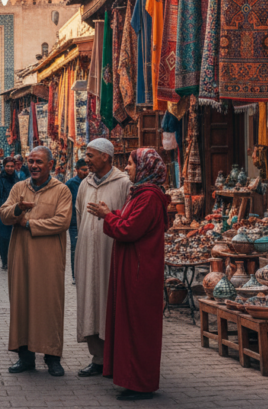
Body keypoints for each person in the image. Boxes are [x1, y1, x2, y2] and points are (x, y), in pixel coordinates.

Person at [90, 147, 168, 401]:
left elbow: (128, 230)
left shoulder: (148, 197)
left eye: (132, 164)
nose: (127, 168)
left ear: (145, 168)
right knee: (129, 322)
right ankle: (130, 378)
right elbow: (127, 223)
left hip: (139, 271)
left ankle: (139, 382)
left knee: (137, 324)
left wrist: (107, 216)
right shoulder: (142, 194)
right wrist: (112, 214)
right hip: (134, 267)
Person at [0, 146, 71, 377]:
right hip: (21, 256)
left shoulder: (61, 191)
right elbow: (4, 213)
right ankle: (25, 357)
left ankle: (52, 357)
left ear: (50, 165)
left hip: (49, 258)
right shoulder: (19, 187)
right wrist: (18, 209)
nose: (34, 166)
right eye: (31, 161)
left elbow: (62, 221)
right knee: (22, 304)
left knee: (49, 305)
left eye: (39, 162)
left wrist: (30, 224)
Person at [74, 138, 131, 378]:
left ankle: (116, 357)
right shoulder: (84, 185)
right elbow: (79, 217)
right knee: (90, 302)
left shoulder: (124, 184)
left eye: (91, 155)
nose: (86, 160)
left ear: (105, 156)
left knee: (111, 301)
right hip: (88, 252)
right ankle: (97, 358)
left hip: (112, 253)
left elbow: (128, 219)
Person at [0, 157, 19, 269]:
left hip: (15, 212)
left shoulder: (17, 179)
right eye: (8, 166)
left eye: (12, 166)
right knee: (4, 237)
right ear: (3, 167)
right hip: (3, 213)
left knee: (15, 237)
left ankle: (14, 259)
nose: (10, 168)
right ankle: (5, 260)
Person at [66, 159, 89, 284]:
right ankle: (75, 275)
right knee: (75, 247)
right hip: (74, 222)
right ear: (77, 170)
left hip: (87, 220)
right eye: (83, 170)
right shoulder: (70, 184)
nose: (86, 172)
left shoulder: (90, 182)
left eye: (87, 170)